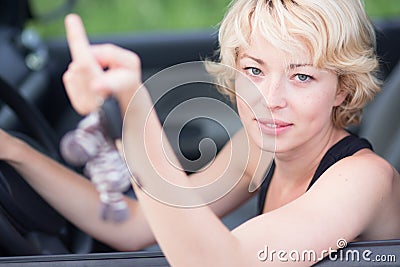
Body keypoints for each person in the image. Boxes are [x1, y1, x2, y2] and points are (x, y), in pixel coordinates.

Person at [1, 0, 400, 265]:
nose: (269, 99)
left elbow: (224, 264)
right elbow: (135, 225)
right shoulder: (257, 151)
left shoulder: (364, 179)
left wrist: (131, 106)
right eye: (255, 71)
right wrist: (15, 150)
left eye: (302, 76)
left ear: (343, 88)